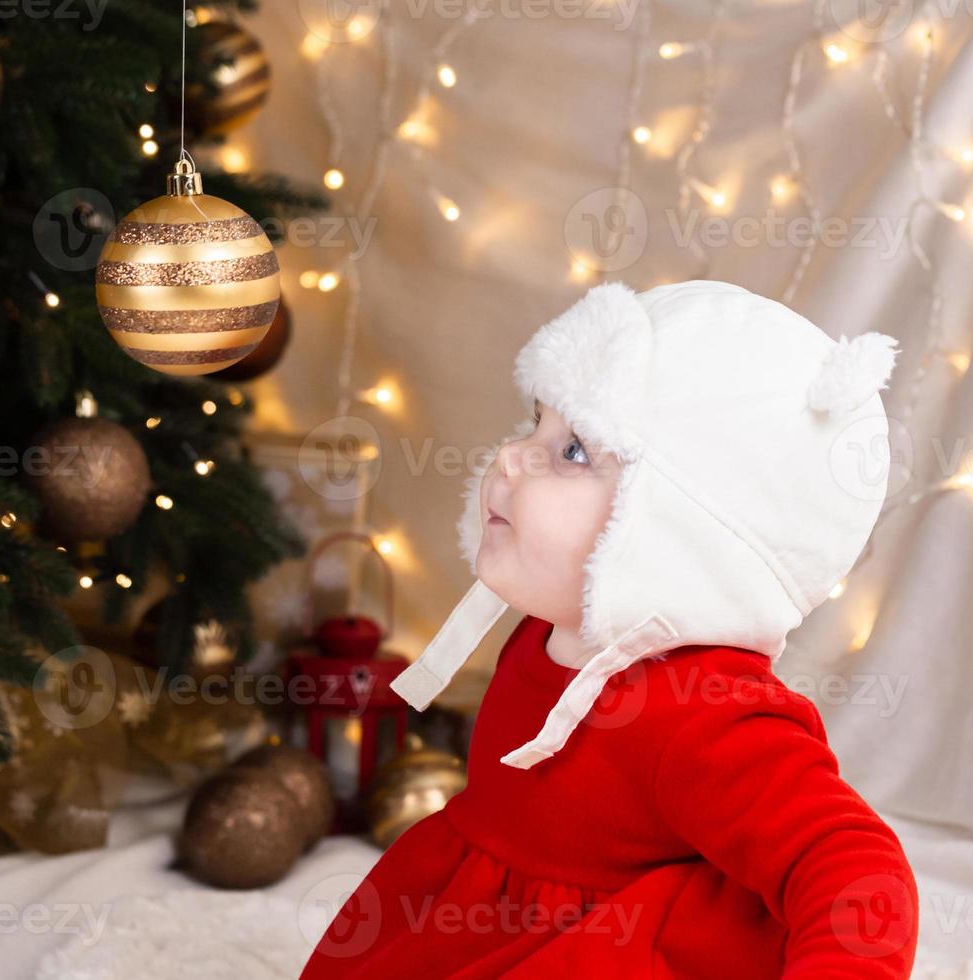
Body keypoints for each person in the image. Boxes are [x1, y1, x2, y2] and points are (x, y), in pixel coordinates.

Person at [298, 279, 920, 978]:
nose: (510, 456)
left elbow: (853, 865)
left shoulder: (705, 710)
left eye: (573, 451)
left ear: (671, 540)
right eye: (534, 421)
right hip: (484, 918)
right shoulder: (545, 632)